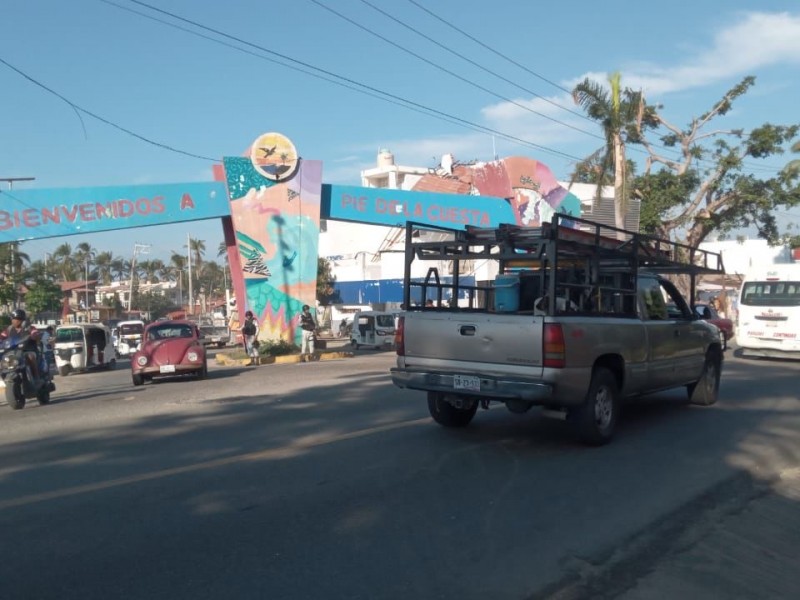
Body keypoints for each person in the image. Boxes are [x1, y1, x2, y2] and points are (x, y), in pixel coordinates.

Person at [2, 309, 44, 386]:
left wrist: (34, 335)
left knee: (30, 356)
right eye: (12, 319)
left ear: (21, 320)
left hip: (28, 350)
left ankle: (36, 377)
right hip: (14, 353)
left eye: (15, 319)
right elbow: (3, 335)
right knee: (3, 360)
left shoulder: (29, 328)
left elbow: (35, 333)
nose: (13, 321)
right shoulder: (9, 329)